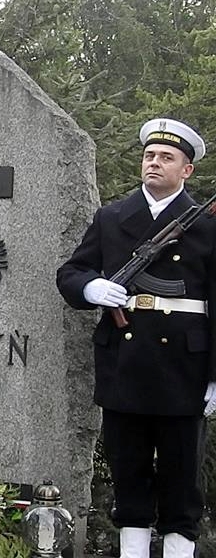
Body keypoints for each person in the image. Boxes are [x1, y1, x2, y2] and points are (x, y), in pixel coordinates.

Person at [57, 118, 214, 558]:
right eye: (149, 156)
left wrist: (215, 375)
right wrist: (92, 288)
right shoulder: (111, 218)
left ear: (187, 170)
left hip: (184, 368)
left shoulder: (206, 226)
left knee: (182, 478)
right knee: (130, 473)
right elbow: (71, 272)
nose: (154, 163)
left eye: (166, 157)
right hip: (125, 365)